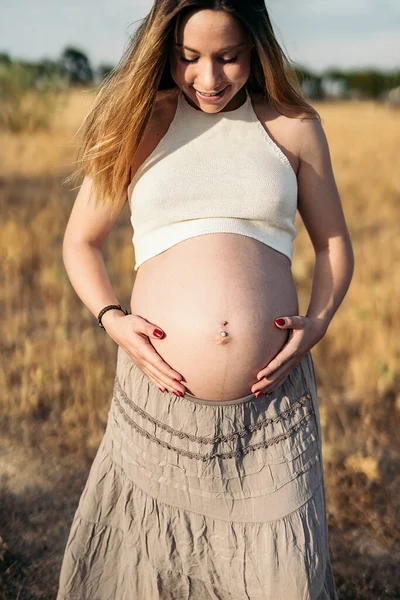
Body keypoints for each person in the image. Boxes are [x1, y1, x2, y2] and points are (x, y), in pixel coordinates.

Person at [57, 1, 354, 598]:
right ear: (163, 51)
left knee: (283, 579)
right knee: (145, 575)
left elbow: (333, 243)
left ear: (257, 49)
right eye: (189, 58)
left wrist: (317, 322)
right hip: (159, 405)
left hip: (271, 411)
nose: (210, 78)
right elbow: (81, 242)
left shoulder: (291, 125)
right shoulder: (140, 123)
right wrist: (113, 319)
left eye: (229, 57)